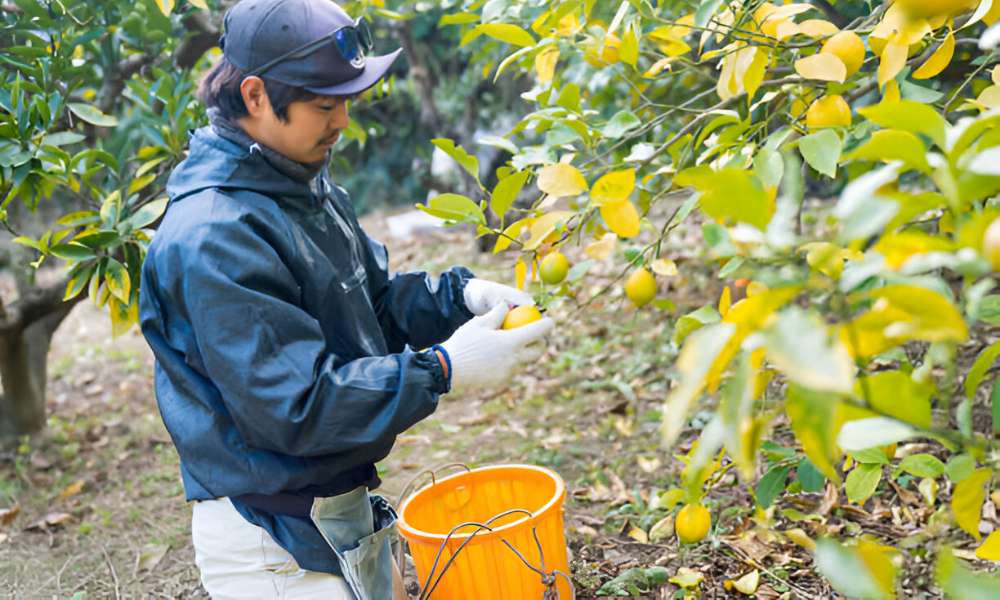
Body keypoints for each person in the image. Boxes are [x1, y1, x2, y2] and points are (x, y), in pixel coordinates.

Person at [137, 0, 554, 598]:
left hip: (334, 513)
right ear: (255, 97)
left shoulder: (301, 186)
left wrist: (462, 296)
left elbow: (371, 308)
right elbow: (297, 406)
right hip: (273, 539)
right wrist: (442, 369)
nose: (341, 122)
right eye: (324, 105)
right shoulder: (215, 234)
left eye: (346, 103)